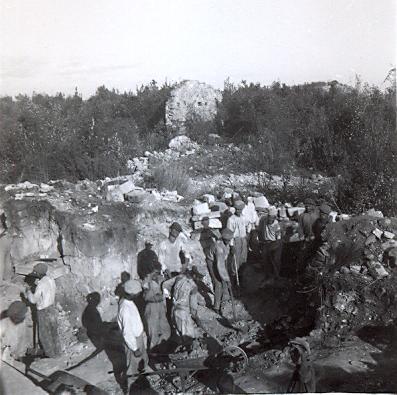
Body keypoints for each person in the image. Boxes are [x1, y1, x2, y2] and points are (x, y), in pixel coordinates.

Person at [117, 279, 148, 394]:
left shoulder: (127, 302)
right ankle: (130, 389)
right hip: (133, 341)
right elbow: (127, 332)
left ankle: (140, 384)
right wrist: (134, 348)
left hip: (137, 337)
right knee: (133, 367)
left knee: (140, 363)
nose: (139, 294)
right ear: (132, 294)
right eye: (138, 293)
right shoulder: (125, 308)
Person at [24, 262, 60, 358]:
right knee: (54, 332)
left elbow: (33, 300)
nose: (35, 274)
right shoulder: (51, 280)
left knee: (44, 335)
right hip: (52, 308)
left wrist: (28, 292)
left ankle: (50, 356)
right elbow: (48, 291)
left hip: (43, 311)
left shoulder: (41, 284)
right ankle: (58, 353)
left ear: (38, 274)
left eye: (35, 273)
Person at [162, 265, 202, 341]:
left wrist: (170, 296)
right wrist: (197, 319)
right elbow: (193, 308)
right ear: (194, 275)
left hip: (173, 311)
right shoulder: (193, 287)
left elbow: (165, 284)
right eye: (199, 277)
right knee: (188, 339)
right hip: (183, 315)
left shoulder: (179, 277)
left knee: (179, 337)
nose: (199, 279)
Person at [204, 228, 234, 315]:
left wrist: (232, 250)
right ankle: (216, 307)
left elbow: (225, 255)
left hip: (221, 260)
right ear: (223, 239)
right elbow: (220, 266)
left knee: (224, 280)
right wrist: (226, 279)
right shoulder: (218, 248)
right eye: (227, 240)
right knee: (218, 283)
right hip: (212, 262)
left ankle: (224, 301)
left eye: (229, 240)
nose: (228, 242)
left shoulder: (226, 242)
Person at [142, 271, 171, 349]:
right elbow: (146, 297)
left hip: (161, 306)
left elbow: (168, 293)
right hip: (152, 307)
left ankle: (163, 347)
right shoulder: (147, 283)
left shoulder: (162, 280)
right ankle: (153, 351)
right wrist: (159, 297)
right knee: (153, 331)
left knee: (166, 329)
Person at [258, 206, 282, 279]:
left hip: (274, 242)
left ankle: (276, 276)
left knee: (275, 260)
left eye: (271, 217)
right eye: (269, 217)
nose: (269, 219)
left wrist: (275, 247)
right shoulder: (263, 220)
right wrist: (261, 241)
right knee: (265, 260)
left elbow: (278, 237)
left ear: (274, 217)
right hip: (265, 242)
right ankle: (267, 276)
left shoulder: (276, 224)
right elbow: (260, 230)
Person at [226, 200, 249, 276]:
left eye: (240, 209)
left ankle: (242, 274)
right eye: (237, 209)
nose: (238, 211)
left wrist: (247, 234)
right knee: (236, 259)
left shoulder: (244, 217)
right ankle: (234, 275)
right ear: (235, 209)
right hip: (236, 240)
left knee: (243, 257)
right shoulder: (231, 219)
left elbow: (248, 225)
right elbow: (229, 234)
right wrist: (232, 245)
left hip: (243, 239)